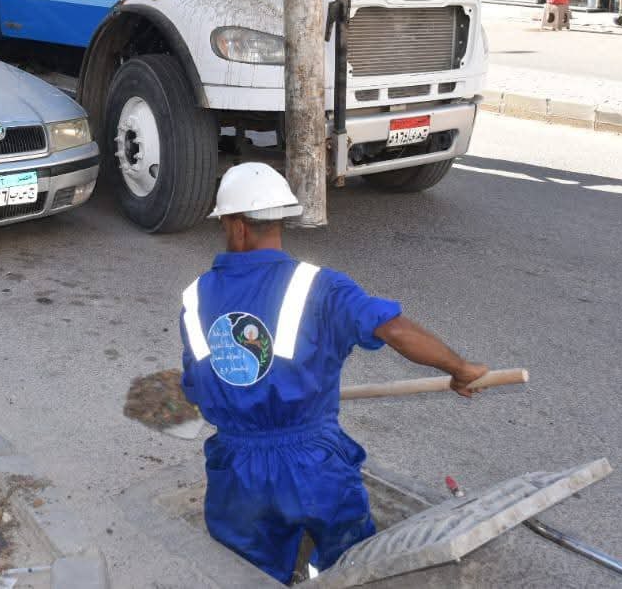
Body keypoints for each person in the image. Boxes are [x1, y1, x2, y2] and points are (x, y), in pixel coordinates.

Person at [180, 163, 489, 582]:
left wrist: (251, 401)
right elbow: (394, 328)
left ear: (236, 227)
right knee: (351, 561)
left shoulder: (196, 297)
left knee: (248, 569)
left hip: (237, 471)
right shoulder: (320, 286)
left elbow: (197, 389)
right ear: (280, 219)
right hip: (313, 466)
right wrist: (459, 368)